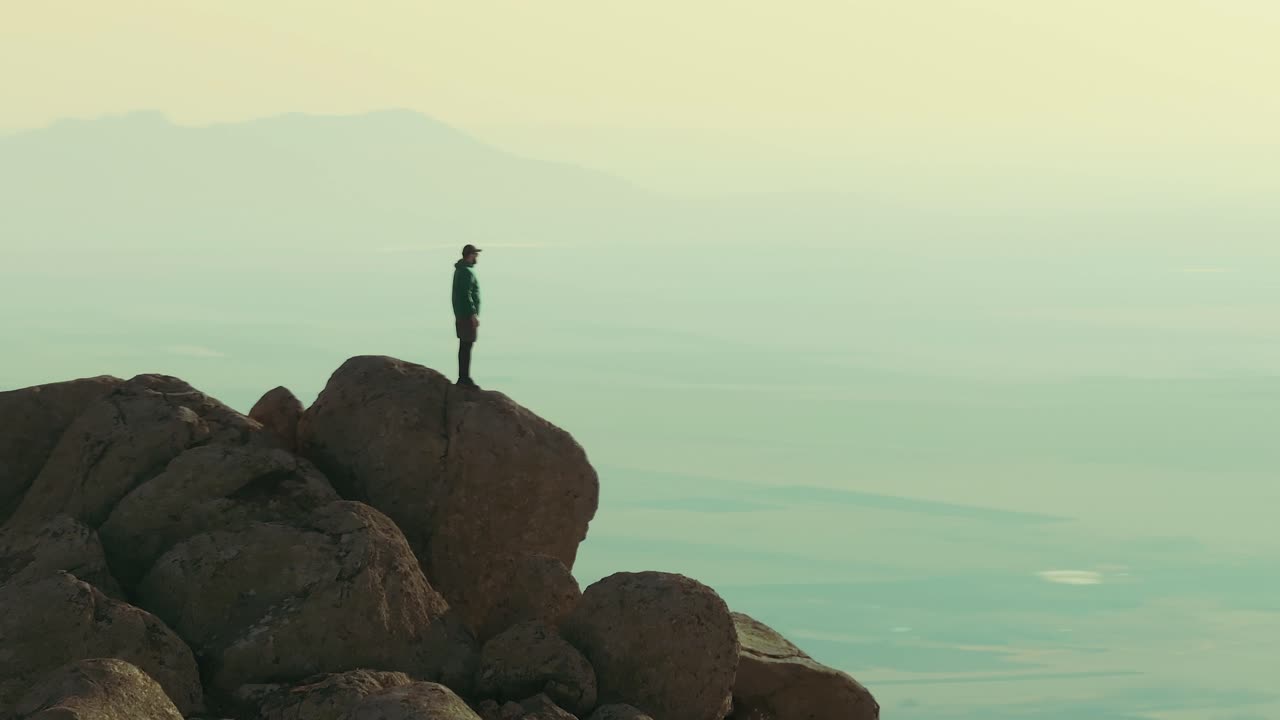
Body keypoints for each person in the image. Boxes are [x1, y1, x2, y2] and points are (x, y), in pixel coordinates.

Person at [452, 243, 482, 388]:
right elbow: (466, 294)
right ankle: (464, 378)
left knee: (464, 346)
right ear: (470, 255)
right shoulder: (466, 272)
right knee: (466, 346)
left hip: (461, 315)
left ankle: (463, 377)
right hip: (466, 316)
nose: (477, 257)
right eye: (475, 254)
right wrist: (473, 314)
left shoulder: (461, 270)